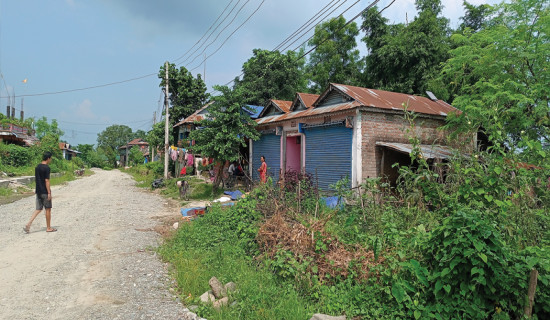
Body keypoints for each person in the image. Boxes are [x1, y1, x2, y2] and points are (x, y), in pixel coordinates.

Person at [24, 151, 56, 233]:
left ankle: (28, 224)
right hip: (45, 191)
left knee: (38, 209)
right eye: (50, 158)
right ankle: (48, 227)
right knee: (48, 209)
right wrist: (49, 192)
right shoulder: (47, 168)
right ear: (48, 158)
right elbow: (47, 181)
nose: (50, 160)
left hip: (38, 191)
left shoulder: (37, 167)